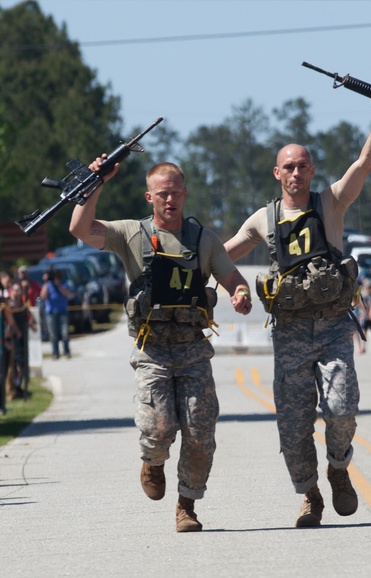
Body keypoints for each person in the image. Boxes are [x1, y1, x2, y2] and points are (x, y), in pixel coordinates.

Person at [224, 84, 371, 527]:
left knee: (341, 408)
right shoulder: (264, 217)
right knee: (294, 426)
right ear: (276, 173)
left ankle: (338, 468)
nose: (296, 173)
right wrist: (199, 271)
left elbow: (365, 162)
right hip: (291, 332)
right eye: (288, 168)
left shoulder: (330, 202)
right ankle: (310, 495)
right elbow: (223, 255)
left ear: (311, 170)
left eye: (302, 166)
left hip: (334, 325)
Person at [70, 159, 252, 532]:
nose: (170, 200)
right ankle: (153, 461)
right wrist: (95, 183)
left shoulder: (204, 239)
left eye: (176, 193)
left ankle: (186, 505)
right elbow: (80, 227)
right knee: (158, 429)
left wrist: (241, 292)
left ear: (185, 194)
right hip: (152, 350)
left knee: (201, 433)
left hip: (192, 350)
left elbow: (231, 276)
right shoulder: (130, 234)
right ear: (149, 196)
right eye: (162, 194)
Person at [40, 269, 73, 360]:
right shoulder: (47, 285)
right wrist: (47, 282)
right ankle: (55, 353)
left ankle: (67, 352)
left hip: (63, 312)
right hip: (50, 313)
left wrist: (58, 284)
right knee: (53, 334)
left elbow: (69, 295)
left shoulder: (64, 284)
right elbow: (42, 296)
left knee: (65, 333)